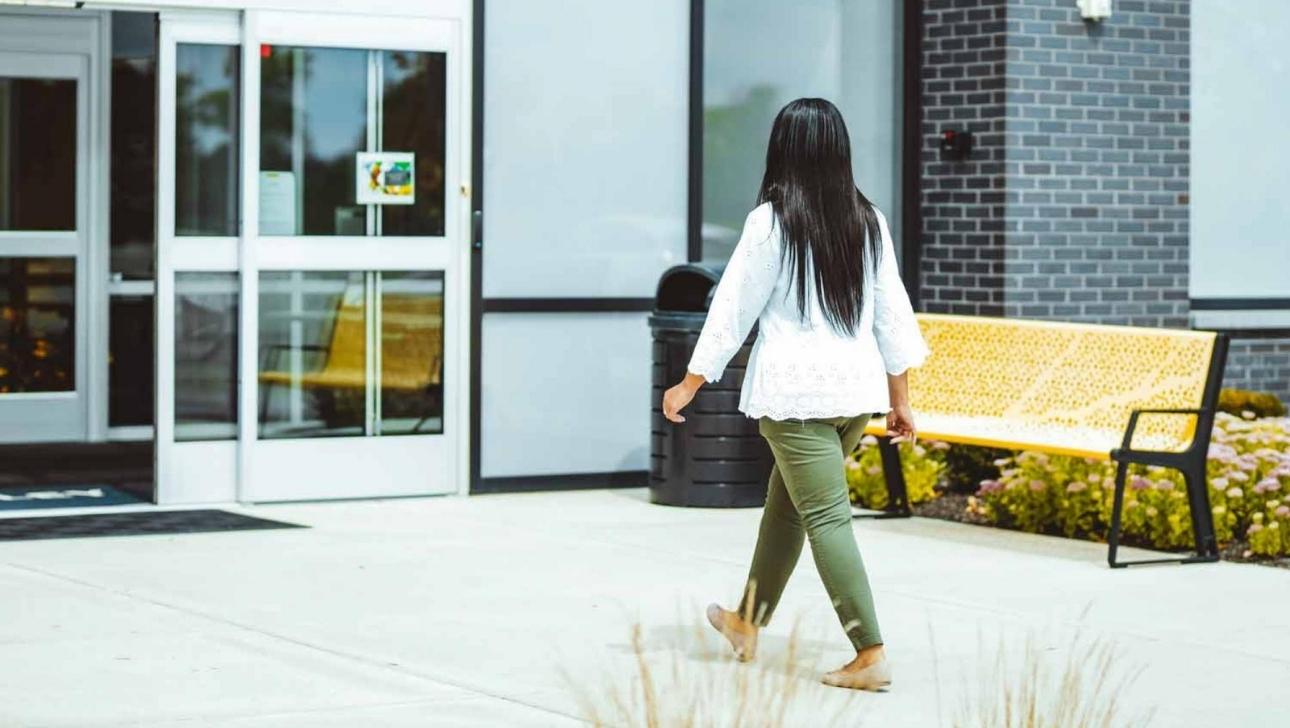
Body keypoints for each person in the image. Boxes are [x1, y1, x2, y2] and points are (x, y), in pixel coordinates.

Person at [661, 98, 930, 692]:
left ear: (783, 149)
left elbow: (731, 309)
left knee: (827, 517)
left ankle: (870, 652)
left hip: (796, 395)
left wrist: (689, 383)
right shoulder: (869, 220)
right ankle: (746, 622)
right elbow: (892, 314)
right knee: (786, 509)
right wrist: (900, 397)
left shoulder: (772, 220)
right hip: (853, 397)